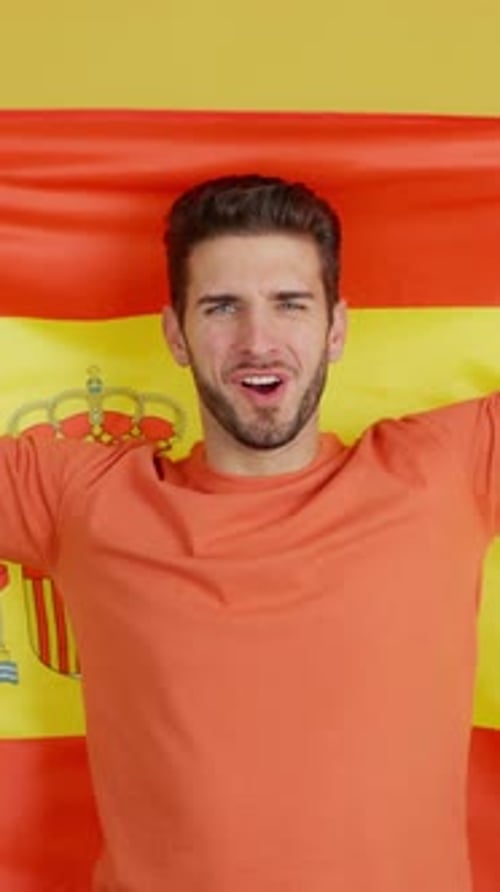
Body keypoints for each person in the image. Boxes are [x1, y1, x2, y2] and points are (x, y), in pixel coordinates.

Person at [1, 174, 499, 892]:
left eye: (289, 305)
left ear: (336, 329)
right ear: (175, 334)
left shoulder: (446, 472)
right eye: (221, 307)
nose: (256, 341)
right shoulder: (83, 500)